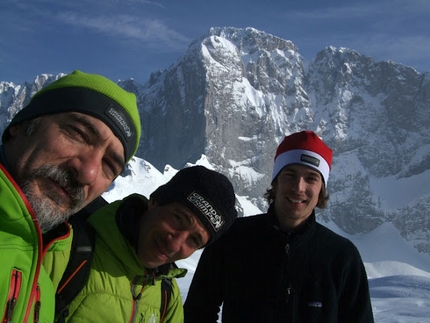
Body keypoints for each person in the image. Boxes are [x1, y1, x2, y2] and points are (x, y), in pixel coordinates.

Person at [184, 130, 374, 322]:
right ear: (275, 181)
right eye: (290, 175)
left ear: (321, 189)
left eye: (311, 178)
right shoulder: (231, 238)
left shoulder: (342, 257)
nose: (298, 187)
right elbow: (197, 311)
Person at [0, 70, 141, 323]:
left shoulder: (44, 277)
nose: (87, 173)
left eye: (109, 165)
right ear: (20, 125)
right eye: (78, 134)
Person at [44, 165, 238, 323]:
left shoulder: (166, 297)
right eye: (178, 219)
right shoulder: (65, 252)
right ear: (154, 201)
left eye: (194, 240)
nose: (174, 244)